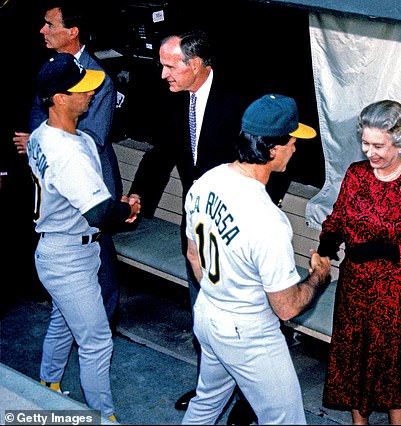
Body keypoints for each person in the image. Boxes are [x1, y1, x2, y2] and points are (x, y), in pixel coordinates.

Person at [126, 29, 256, 419]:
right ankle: (208, 390)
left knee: (241, 317)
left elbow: (268, 160)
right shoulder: (172, 102)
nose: (163, 74)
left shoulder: (238, 101)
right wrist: (138, 198)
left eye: (170, 66)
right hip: (196, 230)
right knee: (202, 312)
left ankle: (249, 397)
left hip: (237, 227)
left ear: (195, 64)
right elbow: (160, 155)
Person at [181, 93, 331, 425]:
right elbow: (287, 307)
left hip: (208, 313)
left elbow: (193, 253)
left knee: (206, 403)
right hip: (248, 332)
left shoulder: (207, 181)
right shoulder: (268, 220)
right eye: (292, 141)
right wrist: (319, 278)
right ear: (272, 149)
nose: (295, 147)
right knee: (285, 420)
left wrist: (222, 294)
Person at [26, 52, 141, 421]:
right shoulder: (68, 152)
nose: (91, 94)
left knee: (63, 320)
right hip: (66, 254)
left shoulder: (42, 134)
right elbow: (99, 213)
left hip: (65, 248)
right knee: (96, 342)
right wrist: (127, 209)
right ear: (59, 99)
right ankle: (102, 416)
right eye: (81, 90)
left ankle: (48, 385)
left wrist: (112, 203)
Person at [317, 99, 401, 425]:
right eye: (365, 143)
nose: (369, 152)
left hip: (394, 296)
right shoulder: (356, 175)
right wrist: (326, 246)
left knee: (392, 369)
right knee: (355, 363)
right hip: (354, 289)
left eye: (379, 145)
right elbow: (338, 219)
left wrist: (391, 252)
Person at [13, 0, 122, 326]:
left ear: (72, 32)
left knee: (100, 255)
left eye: (50, 25)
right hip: (58, 177)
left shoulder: (99, 77)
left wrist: (43, 140)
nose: (42, 30)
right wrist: (37, 139)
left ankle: (106, 318)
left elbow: (94, 134)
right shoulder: (51, 65)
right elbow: (40, 109)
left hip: (90, 178)